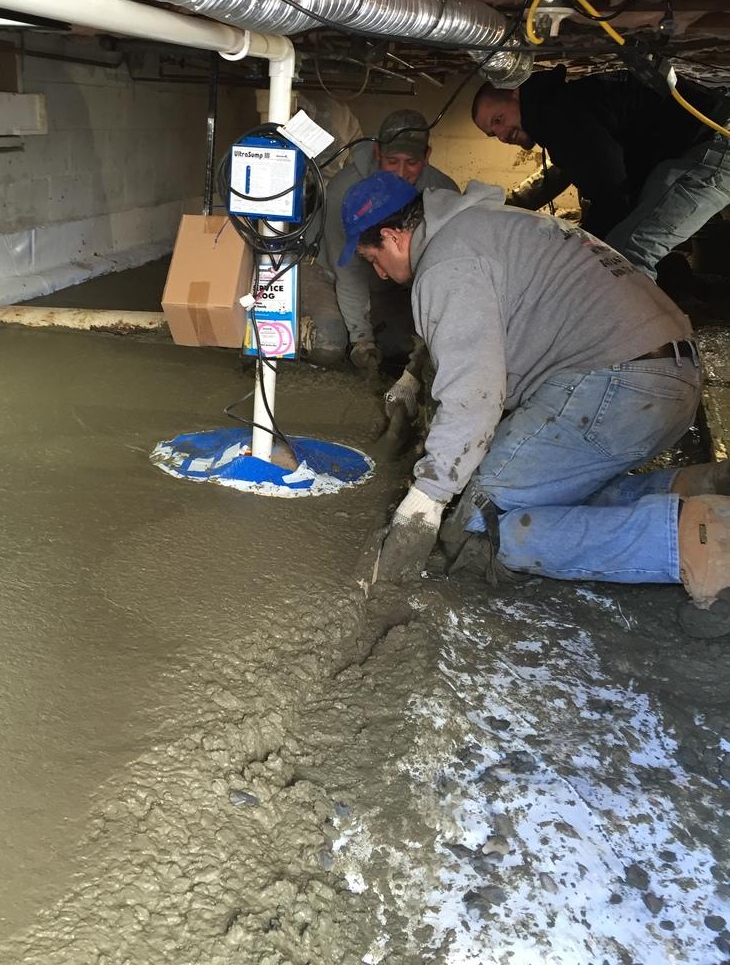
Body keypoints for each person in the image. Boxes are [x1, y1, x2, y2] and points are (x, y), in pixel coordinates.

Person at [338, 169, 730, 635]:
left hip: (616, 387)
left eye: (374, 259)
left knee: (484, 518)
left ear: (393, 236)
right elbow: (462, 335)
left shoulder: (446, 263)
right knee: (552, 491)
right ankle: (690, 489)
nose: (380, 273)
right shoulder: (486, 224)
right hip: (669, 374)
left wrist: (427, 499)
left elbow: (474, 396)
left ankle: (698, 541)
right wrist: (411, 378)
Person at [470, 66, 730, 277]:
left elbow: (612, 198)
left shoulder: (557, 116)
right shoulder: (558, 109)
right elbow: (575, 170)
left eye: (499, 120)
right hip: (701, 143)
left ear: (515, 92)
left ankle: (630, 328)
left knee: (626, 254)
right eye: (493, 133)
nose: (502, 135)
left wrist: (578, 251)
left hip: (714, 144)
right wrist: (500, 211)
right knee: (615, 249)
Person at [302, 108, 458, 370]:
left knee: (400, 349)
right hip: (327, 270)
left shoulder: (442, 193)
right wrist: (361, 339)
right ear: (377, 153)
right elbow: (347, 270)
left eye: (412, 162)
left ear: (427, 156)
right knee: (329, 346)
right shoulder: (345, 191)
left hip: (386, 279)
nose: (400, 172)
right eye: (392, 161)